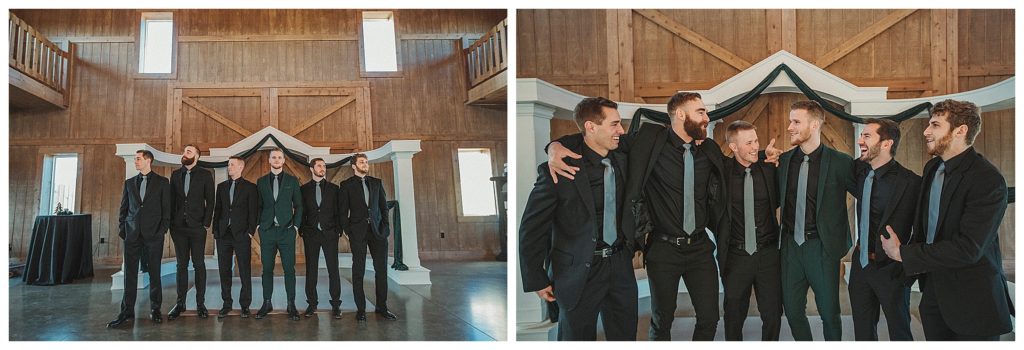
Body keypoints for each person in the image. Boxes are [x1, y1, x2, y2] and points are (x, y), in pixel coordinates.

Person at [548, 92, 725, 340]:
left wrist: (762, 158)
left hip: (700, 248)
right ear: (681, 115)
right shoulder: (650, 140)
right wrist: (554, 146)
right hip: (663, 249)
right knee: (663, 319)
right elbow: (592, 138)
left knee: (710, 317)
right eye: (701, 112)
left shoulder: (708, 148)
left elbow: (732, 167)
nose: (707, 117)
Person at [880, 99, 1013, 341]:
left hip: (972, 301)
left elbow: (968, 249)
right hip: (933, 293)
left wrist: (903, 254)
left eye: (935, 125)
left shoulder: (987, 179)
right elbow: (926, 230)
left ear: (960, 130)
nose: (926, 131)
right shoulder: (932, 168)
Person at [520, 97, 637, 340]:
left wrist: (553, 144)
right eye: (614, 124)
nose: (621, 131)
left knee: (625, 337)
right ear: (591, 127)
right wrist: (536, 277)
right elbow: (532, 227)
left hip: (619, 265)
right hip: (577, 270)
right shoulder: (557, 170)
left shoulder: (624, 154)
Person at [765, 100, 855, 341]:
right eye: (790, 121)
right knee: (793, 313)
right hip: (790, 249)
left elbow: (868, 198)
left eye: (796, 121)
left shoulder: (841, 163)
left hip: (822, 248)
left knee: (830, 314)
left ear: (814, 125)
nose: (789, 127)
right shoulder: (782, 163)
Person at [847, 118, 919, 341]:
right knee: (863, 330)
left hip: (892, 269)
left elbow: (921, 228)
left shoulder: (911, 183)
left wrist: (906, 261)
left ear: (886, 144)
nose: (860, 141)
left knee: (900, 331)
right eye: (861, 135)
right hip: (861, 265)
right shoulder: (858, 170)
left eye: (867, 136)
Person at [718, 121, 782, 341]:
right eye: (749, 143)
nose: (755, 146)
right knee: (733, 316)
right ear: (734, 147)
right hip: (736, 256)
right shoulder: (722, 171)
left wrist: (766, 154)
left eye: (756, 141)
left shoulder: (769, 169)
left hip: (768, 254)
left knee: (773, 315)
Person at [107, 150, 171, 328]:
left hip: (154, 236)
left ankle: (155, 309)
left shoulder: (162, 183)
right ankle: (127, 311)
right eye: (135, 158)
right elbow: (124, 209)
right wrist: (124, 230)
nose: (135, 161)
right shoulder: (129, 183)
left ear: (148, 160)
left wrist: (161, 232)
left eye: (138, 158)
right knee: (130, 274)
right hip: (132, 235)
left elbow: (167, 211)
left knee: (155, 274)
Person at [339, 153, 398, 322]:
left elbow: (383, 207)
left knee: (381, 270)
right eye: (362, 162)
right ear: (353, 166)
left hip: (378, 232)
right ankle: (361, 309)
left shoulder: (376, 183)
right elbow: (343, 212)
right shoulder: (346, 185)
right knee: (358, 270)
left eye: (366, 162)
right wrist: (348, 231)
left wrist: (386, 227)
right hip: (358, 232)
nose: (365, 164)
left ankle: (382, 307)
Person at [168, 144, 215, 320]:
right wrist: (171, 224)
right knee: (181, 265)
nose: (184, 154)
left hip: (197, 227)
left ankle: (200, 304)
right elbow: (171, 201)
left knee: (198, 264)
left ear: (197, 156)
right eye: (184, 151)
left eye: (188, 151)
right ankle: (180, 304)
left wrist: (205, 224)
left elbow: (211, 201)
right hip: (178, 228)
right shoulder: (175, 175)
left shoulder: (205, 175)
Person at [255, 148, 303, 321]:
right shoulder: (260, 182)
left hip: (286, 231)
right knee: (266, 269)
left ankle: (291, 304)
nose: (276, 160)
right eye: (273, 157)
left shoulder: (292, 181)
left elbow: (299, 205)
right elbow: (258, 206)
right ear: (269, 161)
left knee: (289, 269)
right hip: (267, 231)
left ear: (283, 161)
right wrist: (259, 225)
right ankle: (267, 303)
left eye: (279, 157)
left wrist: (296, 227)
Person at [212, 156, 258, 318]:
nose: (229, 167)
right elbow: (218, 210)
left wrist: (250, 232)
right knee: (224, 270)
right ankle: (227, 303)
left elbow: (254, 213)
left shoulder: (251, 188)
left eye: (232, 165)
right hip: (223, 235)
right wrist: (215, 232)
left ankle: (245, 305)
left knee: (245, 270)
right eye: (228, 165)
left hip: (242, 234)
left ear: (240, 167)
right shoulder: (221, 187)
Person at [299, 158, 344, 319]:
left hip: (330, 234)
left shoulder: (334, 189)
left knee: (333, 269)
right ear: (312, 169)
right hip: (311, 234)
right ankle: (312, 304)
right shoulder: (303, 189)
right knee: (311, 270)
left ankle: (336, 304)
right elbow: (301, 211)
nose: (322, 168)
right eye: (319, 166)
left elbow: (339, 211)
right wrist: (302, 230)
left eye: (324, 166)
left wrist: (338, 230)